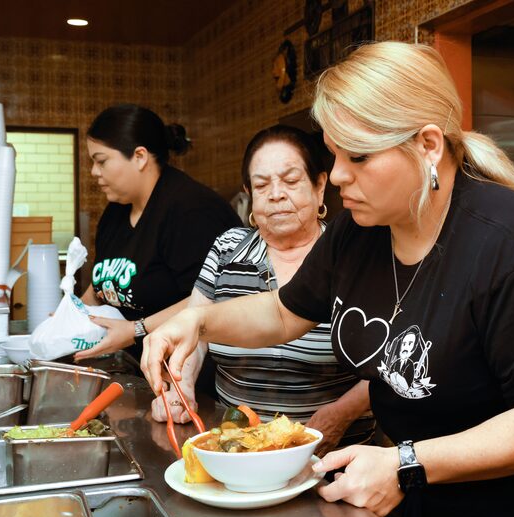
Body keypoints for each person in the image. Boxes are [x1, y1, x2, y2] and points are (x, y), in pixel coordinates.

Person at [141, 42, 514, 517]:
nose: (340, 176)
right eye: (334, 154)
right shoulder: (359, 232)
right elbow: (282, 312)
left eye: (358, 156)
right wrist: (198, 322)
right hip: (425, 485)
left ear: (428, 145)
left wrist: (407, 463)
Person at [149, 125, 375, 454]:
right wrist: (180, 389)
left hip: (337, 455)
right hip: (239, 450)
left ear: (320, 185)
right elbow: (195, 336)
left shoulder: (354, 254)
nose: (276, 194)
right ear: (249, 195)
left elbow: (387, 360)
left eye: (291, 181)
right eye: (261, 184)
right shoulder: (227, 249)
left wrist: (340, 415)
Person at [74, 104, 241, 361]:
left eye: (102, 161)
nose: (94, 172)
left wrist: (135, 330)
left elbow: (214, 297)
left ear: (139, 157)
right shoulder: (115, 213)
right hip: (138, 363)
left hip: (191, 369)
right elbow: (100, 287)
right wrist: (69, 316)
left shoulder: (191, 210)